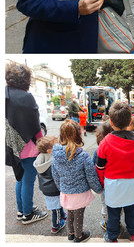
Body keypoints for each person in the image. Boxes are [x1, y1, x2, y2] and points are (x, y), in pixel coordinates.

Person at [96, 101, 134, 243]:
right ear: (130, 121)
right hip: (131, 183)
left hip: (112, 184)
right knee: (131, 211)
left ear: (111, 122)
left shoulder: (105, 142)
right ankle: (133, 233)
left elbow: (100, 167)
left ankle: (112, 236)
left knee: (113, 213)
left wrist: (101, 183)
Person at [5, 64, 48, 224]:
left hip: (13, 146)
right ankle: (28, 214)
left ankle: (21, 210)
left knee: (20, 179)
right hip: (28, 147)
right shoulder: (25, 97)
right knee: (28, 180)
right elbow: (35, 125)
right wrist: (42, 144)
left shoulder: (6, 94)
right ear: (26, 80)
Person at [51, 120, 102, 243]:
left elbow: (55, 175)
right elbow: (91, 175)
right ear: (78, 135)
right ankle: (79, 236)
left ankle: (71, 234)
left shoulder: (56, 156)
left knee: (70, 213)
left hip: (66, 192)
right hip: (80, 192)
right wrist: (98, 189)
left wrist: (61, 188)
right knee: (79, 215)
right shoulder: (82, 155)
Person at [33, 136, 67, 234]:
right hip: (53, 188)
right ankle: (55, 226)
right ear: (49, 151)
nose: (59, 146)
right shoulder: (53, 160)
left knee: (56, 203)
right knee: (55, 208)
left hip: (46, 188)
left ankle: (62, 214)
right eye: (56, 145)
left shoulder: (40, 159)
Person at [92, 120, 114, 232]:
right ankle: (116, 222)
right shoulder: (118, 147)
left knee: (105, 205)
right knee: (116, 206)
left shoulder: (98, 150)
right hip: (117, 183)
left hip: (104, 185)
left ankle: (107, 223)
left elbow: (93, 168)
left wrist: (97, 187)